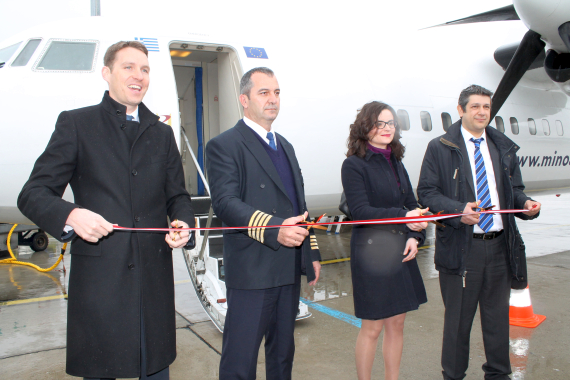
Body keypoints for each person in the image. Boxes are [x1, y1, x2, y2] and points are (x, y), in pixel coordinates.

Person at [17, 41, 195, 380]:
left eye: (144, 69)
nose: (138, 76)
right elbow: (33, 193)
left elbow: (178, 196)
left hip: (153, 287)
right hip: (101, 287)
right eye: (128, 67)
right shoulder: (76, 124)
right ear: (106, 73)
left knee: (156, 371)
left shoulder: (162, 133)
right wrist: (71, 215)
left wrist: (182, 222)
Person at [417, 85, 541, 380]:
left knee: (498, 321)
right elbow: (427, 193)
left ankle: (498, 374)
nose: (482, 112)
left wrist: (526, 204)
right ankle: (454, 375)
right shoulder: (440, 147)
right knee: (458, 323)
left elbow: (515, 191)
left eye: (486, 107)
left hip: (499, 248)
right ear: (460, 110)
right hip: (462, 249)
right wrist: (459, 210)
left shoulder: (503, 147)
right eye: (475, 107)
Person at [205, 67, 321, 380]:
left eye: (277, 92)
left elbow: (299, 206)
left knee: (282, 358)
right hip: (253, 270)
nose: (273, 99)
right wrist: (275, 229)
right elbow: (226, 204)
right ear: (244, 99)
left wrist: (311, 253)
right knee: (240, 362)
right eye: (264, 92)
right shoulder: (224, 145)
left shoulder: (285, 145)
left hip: (287, 267)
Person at [341, 101, 428, 380]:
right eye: (380, 123)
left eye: (391, 123)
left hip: (400, 250)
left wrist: (415, 236)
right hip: (372, 254)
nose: (387, 128)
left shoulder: (396, 162)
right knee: (373, 327)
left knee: (397, 324)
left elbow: (411, 204)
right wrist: (404, 216)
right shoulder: (353, 165)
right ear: (365, 127)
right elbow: (361, 211)